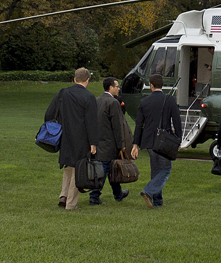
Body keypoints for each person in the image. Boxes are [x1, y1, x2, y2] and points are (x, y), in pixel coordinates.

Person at [45, 67, 99, 210]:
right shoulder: (89, 97)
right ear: (87, 80)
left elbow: (49, 114)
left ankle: (64, 195)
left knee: (68, 166)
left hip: (64, 136)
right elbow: (92, 122)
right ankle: (71, 204)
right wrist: (93, 143)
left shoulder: (63, 93)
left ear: (75, 79)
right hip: (81, 138)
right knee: (78, 169)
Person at [130, 73, 181, 208]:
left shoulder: (144, 102)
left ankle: (158, 201)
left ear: (151, 85)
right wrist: (179, 139)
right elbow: (177, 121)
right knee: (166, 169)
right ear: (162, 85)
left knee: (156, 170)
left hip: (149, 140)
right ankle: (149, 191)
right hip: (164, 140)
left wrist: (135, 144)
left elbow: (139, 124)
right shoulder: (169, 100)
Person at [89, 76, 132, 205]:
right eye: (117, 86)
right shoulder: (113, 103)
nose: (118, 89)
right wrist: (121, 144)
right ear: (110, 87)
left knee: (112, 169)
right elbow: (117, 126)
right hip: (109, 143)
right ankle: (94, 196)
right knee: (105, 169)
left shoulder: (97, 100)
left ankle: (118, 194)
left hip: (98, 141)